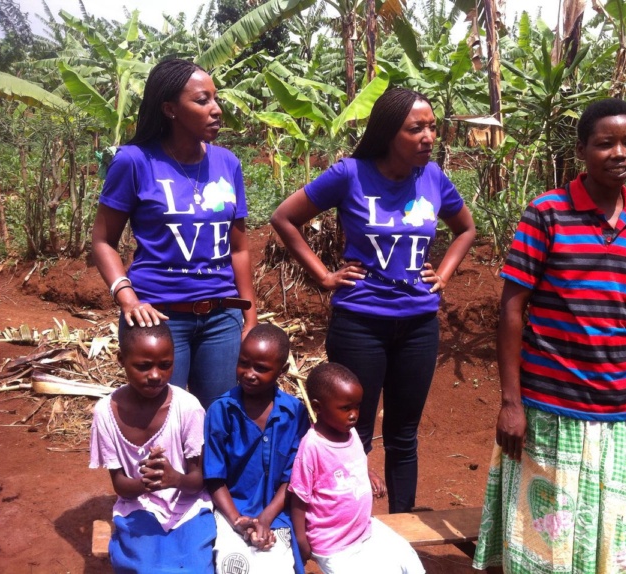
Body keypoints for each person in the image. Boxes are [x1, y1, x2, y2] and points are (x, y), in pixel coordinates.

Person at [472, 99, 626, 573]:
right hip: (551, 406)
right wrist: (511, 402)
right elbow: (512, 308)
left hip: (621, 410)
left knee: (604, 532)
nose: (619, 153)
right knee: (546, 536)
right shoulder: (547, 214)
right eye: (605, 143)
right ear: (582, 150)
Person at [271, 87, 476, 513]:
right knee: (351, 433)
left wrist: (443, 273)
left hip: (419, 325)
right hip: (360, 323)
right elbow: (285, 217)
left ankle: (402, 525)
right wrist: (324, 275)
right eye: (415, 129)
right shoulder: (350, 174)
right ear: (388, 133)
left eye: (432, 127)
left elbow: (466, 229)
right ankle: (348, 526)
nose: (428, 137)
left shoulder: (433, 177)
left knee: (404, 435)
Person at [91, 58, 257, 409]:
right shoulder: (134, 161)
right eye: (202, 100)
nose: (216, 109)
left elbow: (239, 249)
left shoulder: (228, 163)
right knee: (162, 418)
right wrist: (127, 298)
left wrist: (250, 318)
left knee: (217, 419)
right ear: (169, 109)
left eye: (215, 98)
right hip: (158, 317)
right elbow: (103, 240)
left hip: (222, 317)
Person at [89, 322, 215, 573]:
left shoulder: (188, 407)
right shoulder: (105, 412)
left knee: (194, 568)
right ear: (121, 360)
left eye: (165, 365)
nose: (156, 375)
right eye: (143, 366)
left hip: (187, 506)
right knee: (145, 567)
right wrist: (148, 483)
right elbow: (121, 485)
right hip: (139, 505)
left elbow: (197, 481)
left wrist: (174, 478)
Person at [289, 362, 426, 574]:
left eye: (357, 406)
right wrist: (301, 540)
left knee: (409, 561)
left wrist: (369, 473)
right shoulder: (313, 446)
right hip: (334, 544)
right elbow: (299, 497)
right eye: (345, 408)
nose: (354, 414)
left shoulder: (350, 433)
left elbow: (351, 462)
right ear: (317, 407)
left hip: (363, 529)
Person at [203, 323, 310, 574]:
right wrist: (237, 521)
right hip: (231, 511)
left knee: (277, 566)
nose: (249, 374)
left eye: (261, 368)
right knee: (232, 565)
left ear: (282, 371)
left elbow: (293, 477)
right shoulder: (221, 411)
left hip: (277, 513)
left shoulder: (294, 413)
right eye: (244, 363)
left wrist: (266, 517)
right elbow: (214, 477)